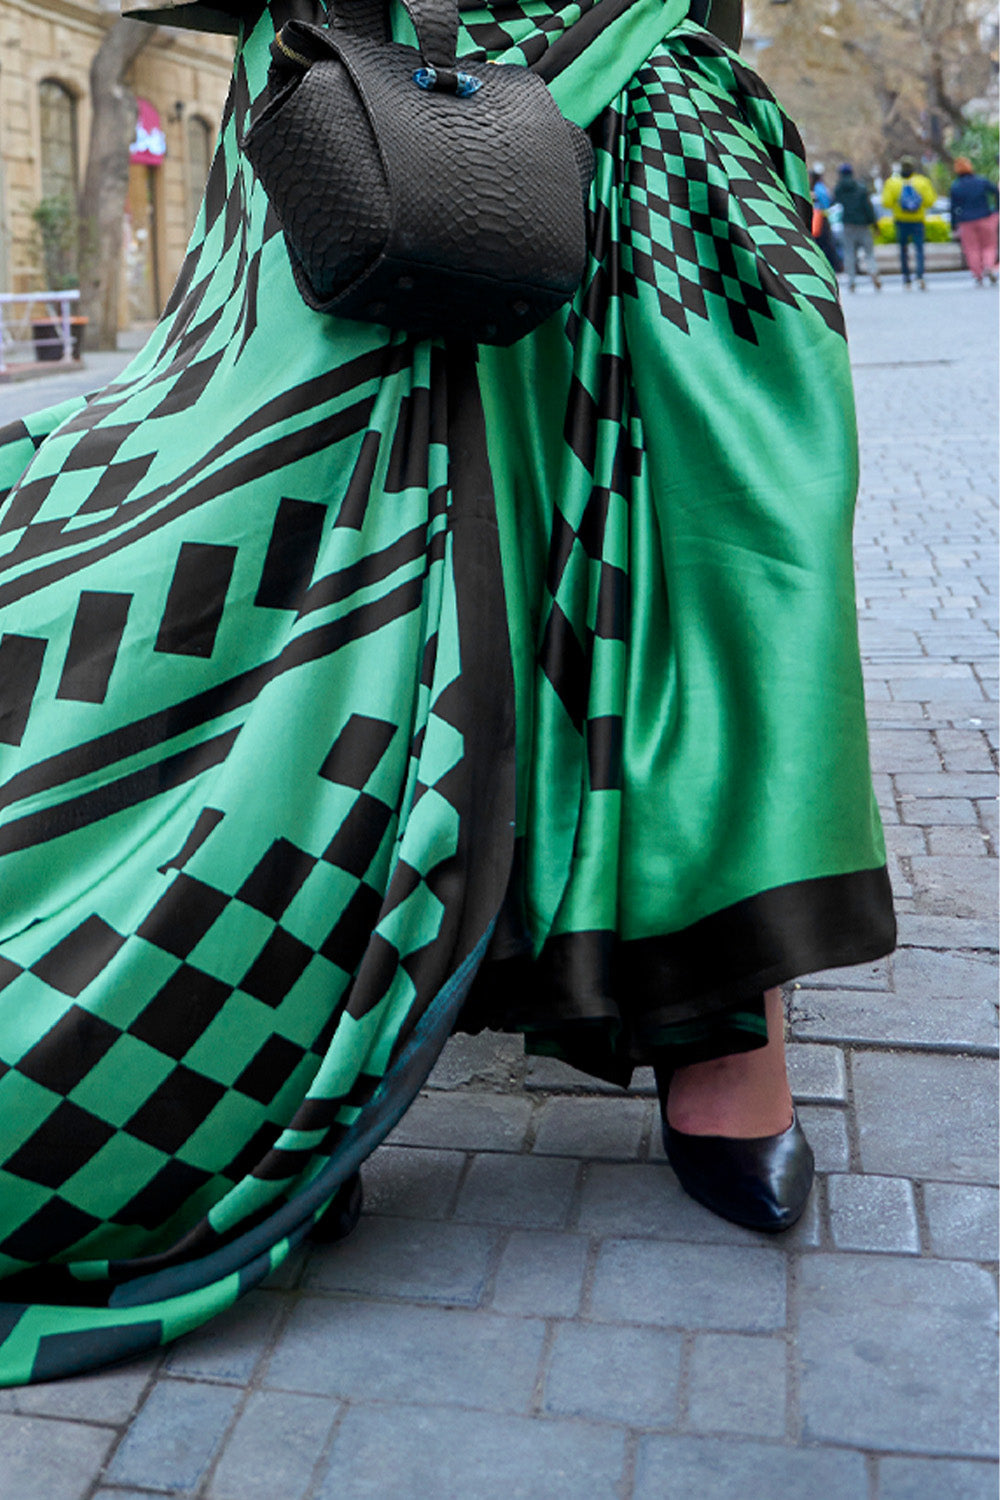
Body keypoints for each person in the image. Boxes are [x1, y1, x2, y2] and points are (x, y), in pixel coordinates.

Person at [0, 0, 895, 1386]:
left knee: (710, 529)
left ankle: (718, 1014)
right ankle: (282, 1035)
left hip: (634, 70)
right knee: (291, 543)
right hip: (349, 82)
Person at [882, 157, 936, 289]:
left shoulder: (892, 183)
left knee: (903, 249)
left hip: (901, 220)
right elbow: (930, 201)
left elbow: (886, 203)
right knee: (919, 249)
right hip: (918, 220)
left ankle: (906, 277)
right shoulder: (922, 182)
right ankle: (920, 276)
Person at [949, 156, 999, 286]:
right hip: (984, 217)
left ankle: (978, 275)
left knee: (971, 249)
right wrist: (996, 209)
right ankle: (988, 266)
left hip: (966, 222)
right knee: (989, 245)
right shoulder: (981, 181)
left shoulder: (956, 186)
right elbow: (996, 192)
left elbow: (953, 208)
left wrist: (953, 225)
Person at [834, 162, 882, 292]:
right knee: (869, 253)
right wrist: (875, 225)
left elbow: (835, 202)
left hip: (848, 224)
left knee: (849, 253)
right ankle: (873, 272)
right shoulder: (861, 188)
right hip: (863, 225)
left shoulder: (839, 189)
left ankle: (851, 280)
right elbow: (868, 208)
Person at [809, 164, 843, 273]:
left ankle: (832, 266)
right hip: (820, 219)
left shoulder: (818, 189)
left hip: (820, 219)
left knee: (824, 244)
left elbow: (825, 204)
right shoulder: (820, 188)